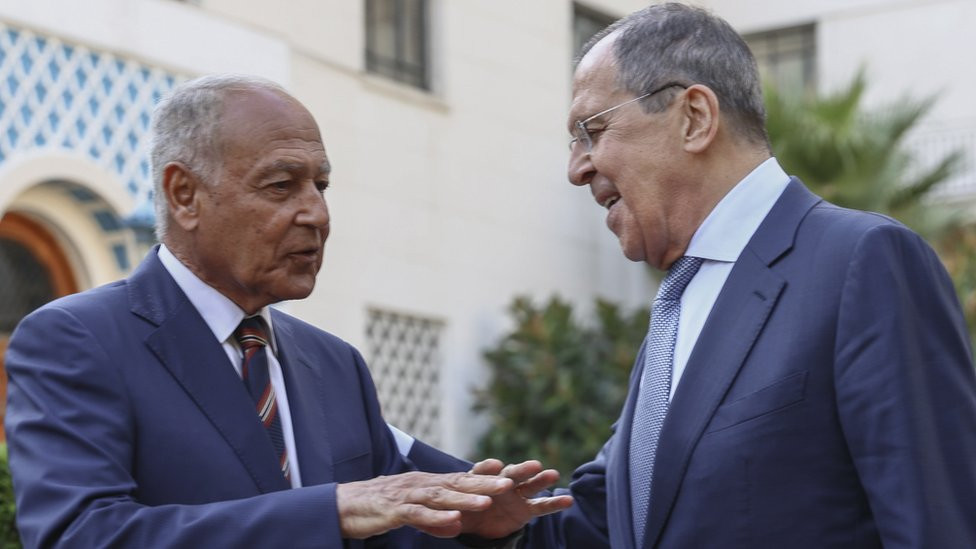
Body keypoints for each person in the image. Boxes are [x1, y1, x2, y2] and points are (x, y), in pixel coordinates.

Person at [3, 74, 570, 548]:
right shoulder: (77, 339)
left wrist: (479, 528)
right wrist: (332, 509)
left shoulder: (335, 363)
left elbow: (391, 526)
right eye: (281, 186)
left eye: (321, 186)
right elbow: (81, 535)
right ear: (184, 194)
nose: (317, 214)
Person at [499, 3, 976, 548]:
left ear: (694, 118)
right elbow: (603, 523)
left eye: (593, 130)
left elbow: (935, 527)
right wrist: (424, 482)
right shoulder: (679, 304)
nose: (576, 168)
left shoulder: (863, 262)